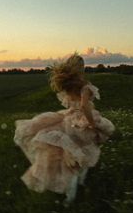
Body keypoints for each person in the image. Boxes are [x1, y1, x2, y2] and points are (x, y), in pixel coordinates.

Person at [14, 53, 115, 203]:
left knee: (73, 151)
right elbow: (83, 106)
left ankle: (77, 178)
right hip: (82, 120)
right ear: (81, 68)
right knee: (87, 148)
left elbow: (70, 104)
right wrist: (92, 122)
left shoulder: (69, 85)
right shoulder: (85, 86)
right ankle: (76, 183)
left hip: (68, 119)